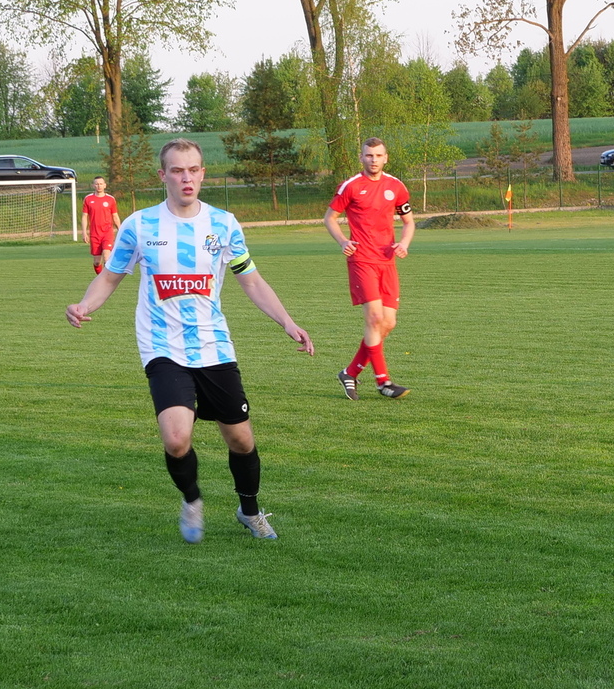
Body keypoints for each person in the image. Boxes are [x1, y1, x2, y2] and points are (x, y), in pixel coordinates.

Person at [66, 139, 314, 543]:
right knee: (177, 439)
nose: (186, 177)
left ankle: (249, 510)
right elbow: (110, 276)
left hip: (213, 344)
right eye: (178, 170)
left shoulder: (223, 224)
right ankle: (192, 499)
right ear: (163, 175)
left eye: (193, 170)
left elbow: (250, 279)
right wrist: (84, 304)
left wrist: (286, 321)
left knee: (241, 439)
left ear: (202, 174)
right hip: (161, 345)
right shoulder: (139, 225)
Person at [325, 138, 415, 400]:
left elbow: (409, 222)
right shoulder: (351, 186)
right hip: (362, 260)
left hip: (387, 261)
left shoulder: (396, 186)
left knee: (388, 323)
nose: (373, 160)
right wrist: (343, 241)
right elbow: (330, 218)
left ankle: (350, 372)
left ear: (386, 158)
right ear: (361, 157)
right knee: (375, 319)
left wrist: (404, 244)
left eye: (378, 155)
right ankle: (383, 382)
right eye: (369, 155)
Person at [82, 176, 122, 273]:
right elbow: (84, 216)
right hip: (94, 234)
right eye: (96, 184)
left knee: (106, 257)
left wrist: (120, 230)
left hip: (107, 233)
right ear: (93, 185)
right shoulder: (88, 199)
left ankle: (106, 280)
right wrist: (84, 232)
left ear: (105, 185)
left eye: (101, 184)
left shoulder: (110, 199)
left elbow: (115, 216)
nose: (99, 186)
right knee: (97, 262)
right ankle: (100, 278)